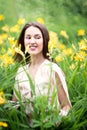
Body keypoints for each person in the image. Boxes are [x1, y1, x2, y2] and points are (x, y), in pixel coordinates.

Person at [12, 22, 71, 123]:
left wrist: (55, 122)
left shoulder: (53, 69)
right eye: (28, 37)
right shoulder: (21, 71)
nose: (32, 41)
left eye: (37, 37)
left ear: (45, 40)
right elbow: (14, 104)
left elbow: (66, 106)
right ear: (23, 41)